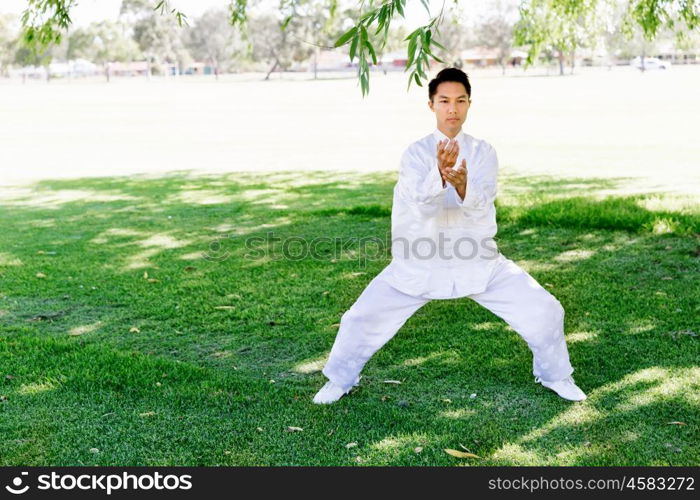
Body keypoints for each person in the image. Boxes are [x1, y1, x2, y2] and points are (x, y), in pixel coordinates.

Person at [313, 67, 586, 404]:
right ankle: (339, 380)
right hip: (419, 260)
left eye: (460, 100)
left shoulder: (483, 152)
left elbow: (480, 205)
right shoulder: (415, 153)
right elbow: (420, 205)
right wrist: (440, 176)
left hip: (477, 260)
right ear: (432, 105)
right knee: (360, 318)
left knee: (546, 309)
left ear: (469, 104)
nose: (452, 109)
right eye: (444, 101)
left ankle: (555, 376)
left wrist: (462, 184)